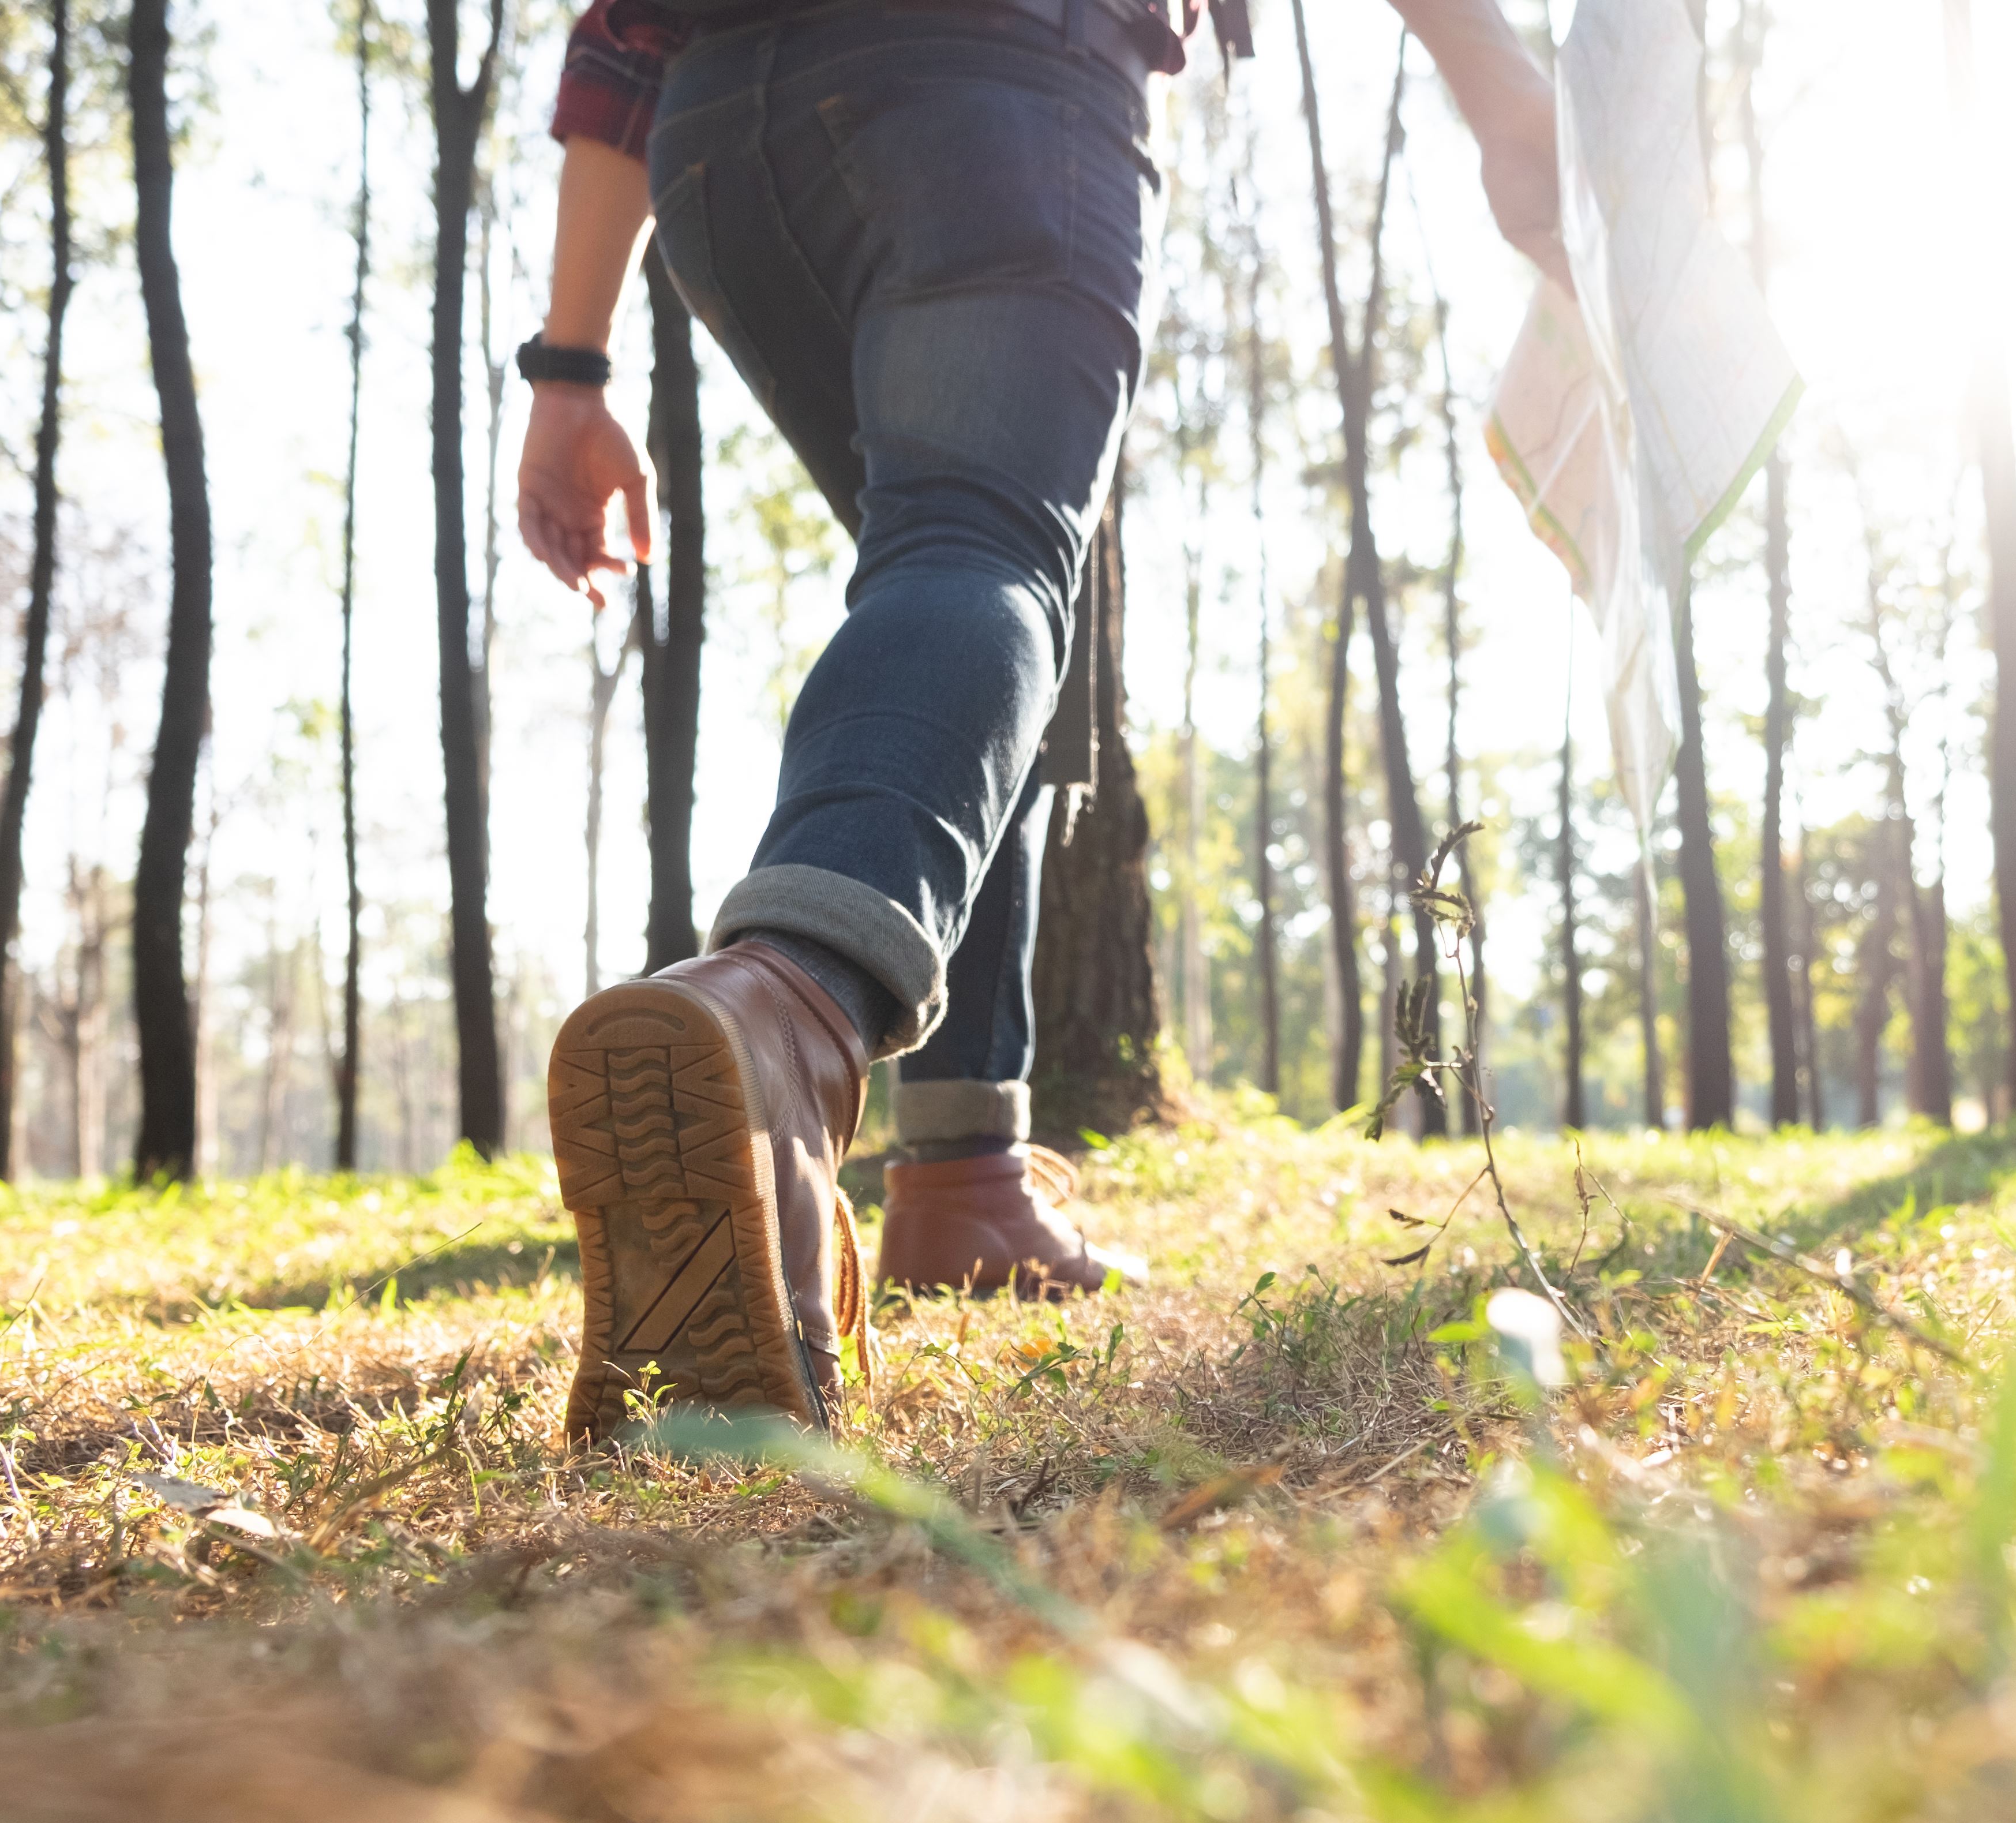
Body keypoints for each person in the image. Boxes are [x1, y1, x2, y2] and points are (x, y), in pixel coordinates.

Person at [518, 0, 1566, 1443]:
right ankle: (791, 1012)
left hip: (722, 160)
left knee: (965, 596)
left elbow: (619, 44)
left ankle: (964, 1176)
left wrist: (570, 370)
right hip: (991, 88)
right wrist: (1505, 88)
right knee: (980, 551)